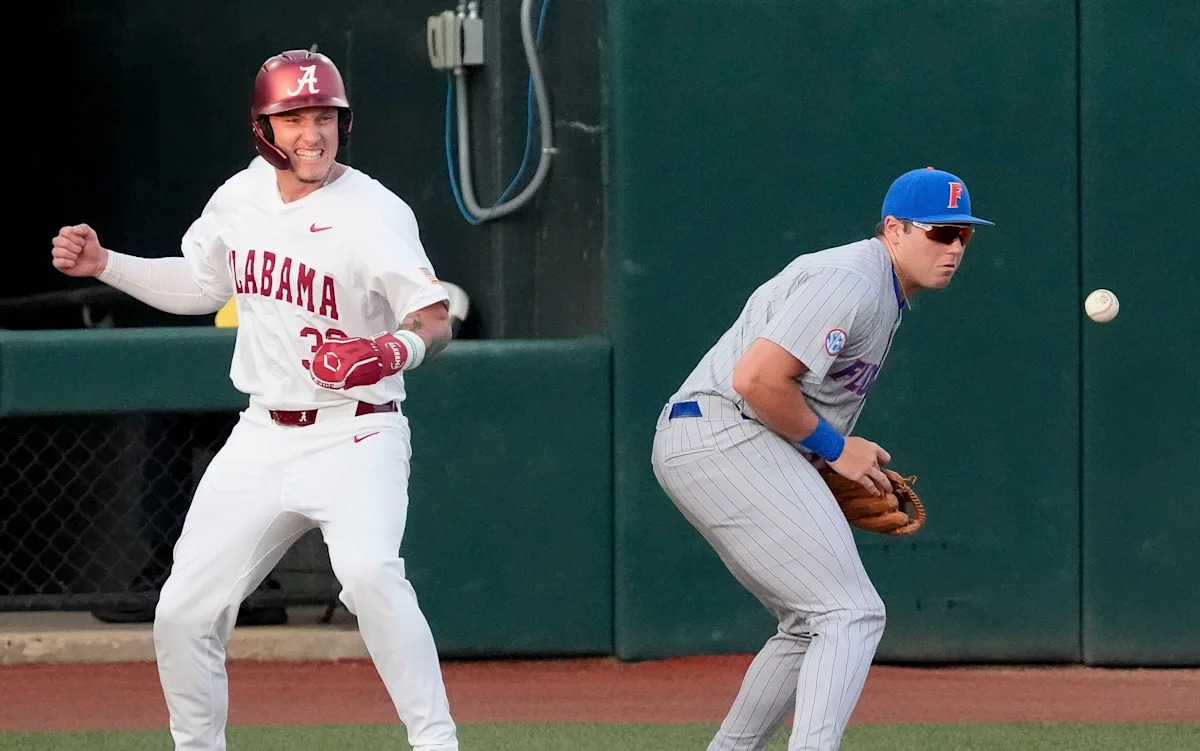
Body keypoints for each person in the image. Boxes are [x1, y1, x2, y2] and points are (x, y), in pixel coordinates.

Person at [50, 48, 459, 751]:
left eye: (325, 115)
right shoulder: (239, 197)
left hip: (357, 433)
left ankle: (436, 742)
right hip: (264, 433)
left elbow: (434, 318)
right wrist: (107, 265)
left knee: (368, 573)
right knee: (182, 610)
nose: (314, 132)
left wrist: (388, 351)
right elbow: (205, 285)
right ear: (264, 126)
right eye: (295, 116)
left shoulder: (374, 211)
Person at [650, 167, 993, 751]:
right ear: (895, 229)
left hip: (730, 438)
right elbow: (757, 380)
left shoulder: (881, 292)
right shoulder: (851, 279)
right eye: (940, 233)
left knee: (811, 623)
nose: (955, 247)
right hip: (721, 430)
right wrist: (835, 449)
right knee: (850, 612)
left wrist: (830, 460)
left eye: (965, 235)